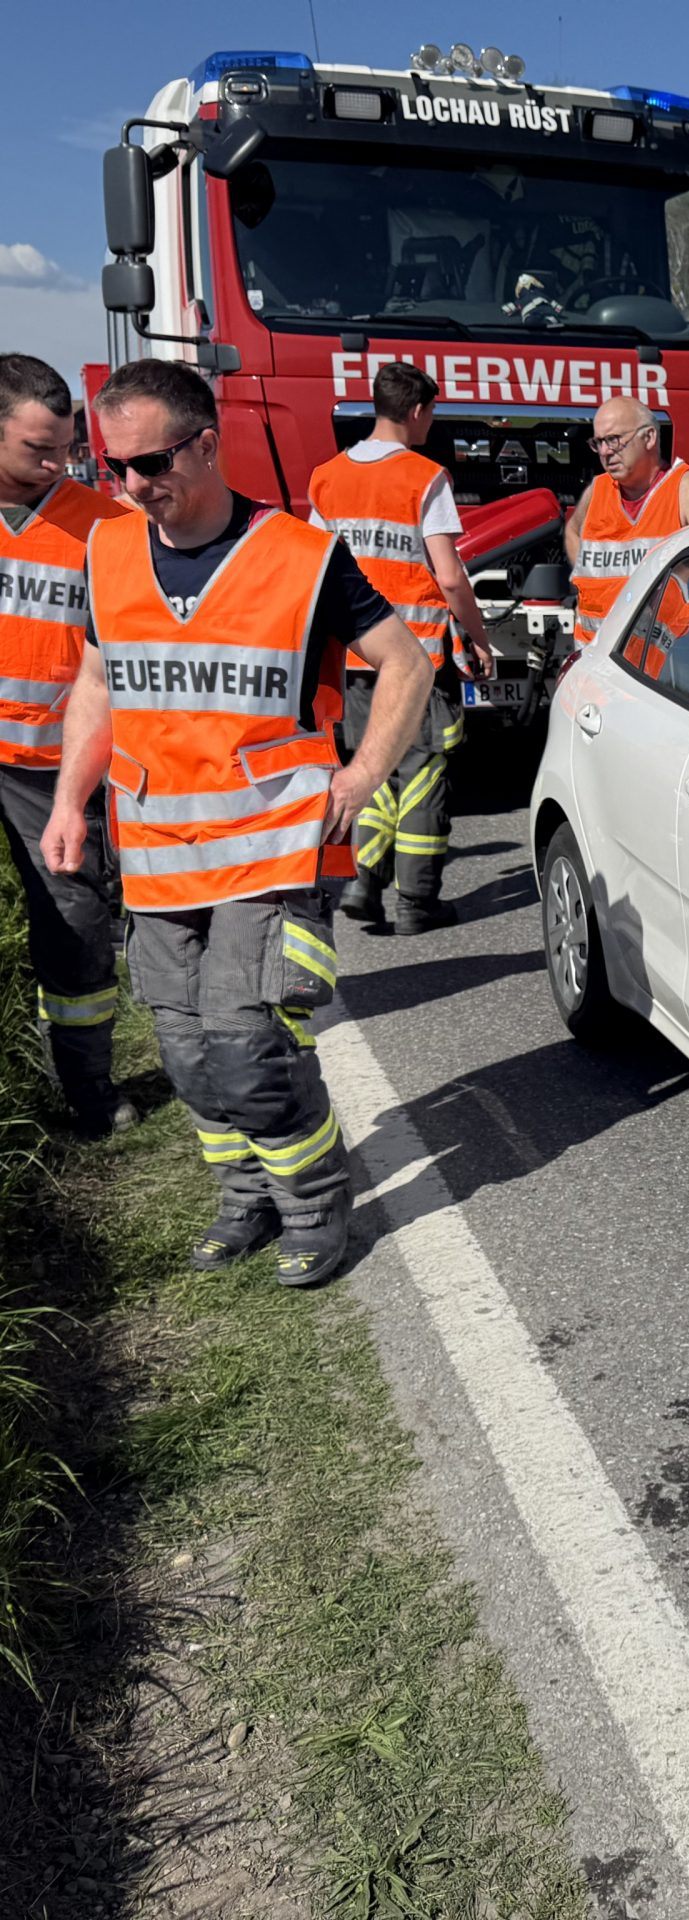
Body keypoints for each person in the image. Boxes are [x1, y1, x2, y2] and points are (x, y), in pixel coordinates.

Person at [43, 358, 430, 1287]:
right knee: (184, 1051)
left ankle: (314, 1204)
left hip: (272, 851)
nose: (132, 486)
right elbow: (97, 685)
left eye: (152, 464)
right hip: (157, 855)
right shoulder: (108, 551)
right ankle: (243, 1196)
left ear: (207, 445)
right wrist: (66, 802)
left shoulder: (302, 555)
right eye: (115, 466)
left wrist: (363, 774)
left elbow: (406, 664)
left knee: (247, 1044)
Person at [308, 361, 494, 933]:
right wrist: (479, 638)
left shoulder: (327, 477)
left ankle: (361, 884)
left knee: (370, 763)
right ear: (416, 411)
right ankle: (416, 901)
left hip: (352, 656)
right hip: (414, 659)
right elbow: (451, 577)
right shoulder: (424, 477)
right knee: (421, 772)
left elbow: (314, 566)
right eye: (430, 413)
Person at [0, 354, 133, 1136]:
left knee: (76, 921)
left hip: (52, 770)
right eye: (36, 450)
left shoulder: (107, 526)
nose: (56, 463)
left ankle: (87, 1091)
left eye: (64, 448)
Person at [565, 396, 689, 645]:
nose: (605, 452)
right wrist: (585, 586)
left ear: (649, 437)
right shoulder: (598, 490)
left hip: (661, 660)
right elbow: (573, 531)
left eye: (614, 440)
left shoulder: (686, 490)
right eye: (598, 443)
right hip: (591, 654)